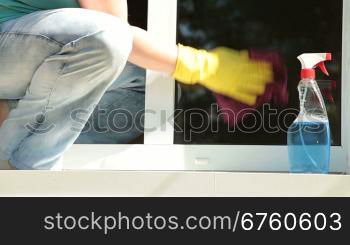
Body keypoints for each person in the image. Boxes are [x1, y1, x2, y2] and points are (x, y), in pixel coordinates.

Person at [0, 0, 273, 170]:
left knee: (150, 92)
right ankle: (25, 168)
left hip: (35, 67)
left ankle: (11, 128)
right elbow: (112, 33)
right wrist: (201, 66)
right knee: (108, 37)